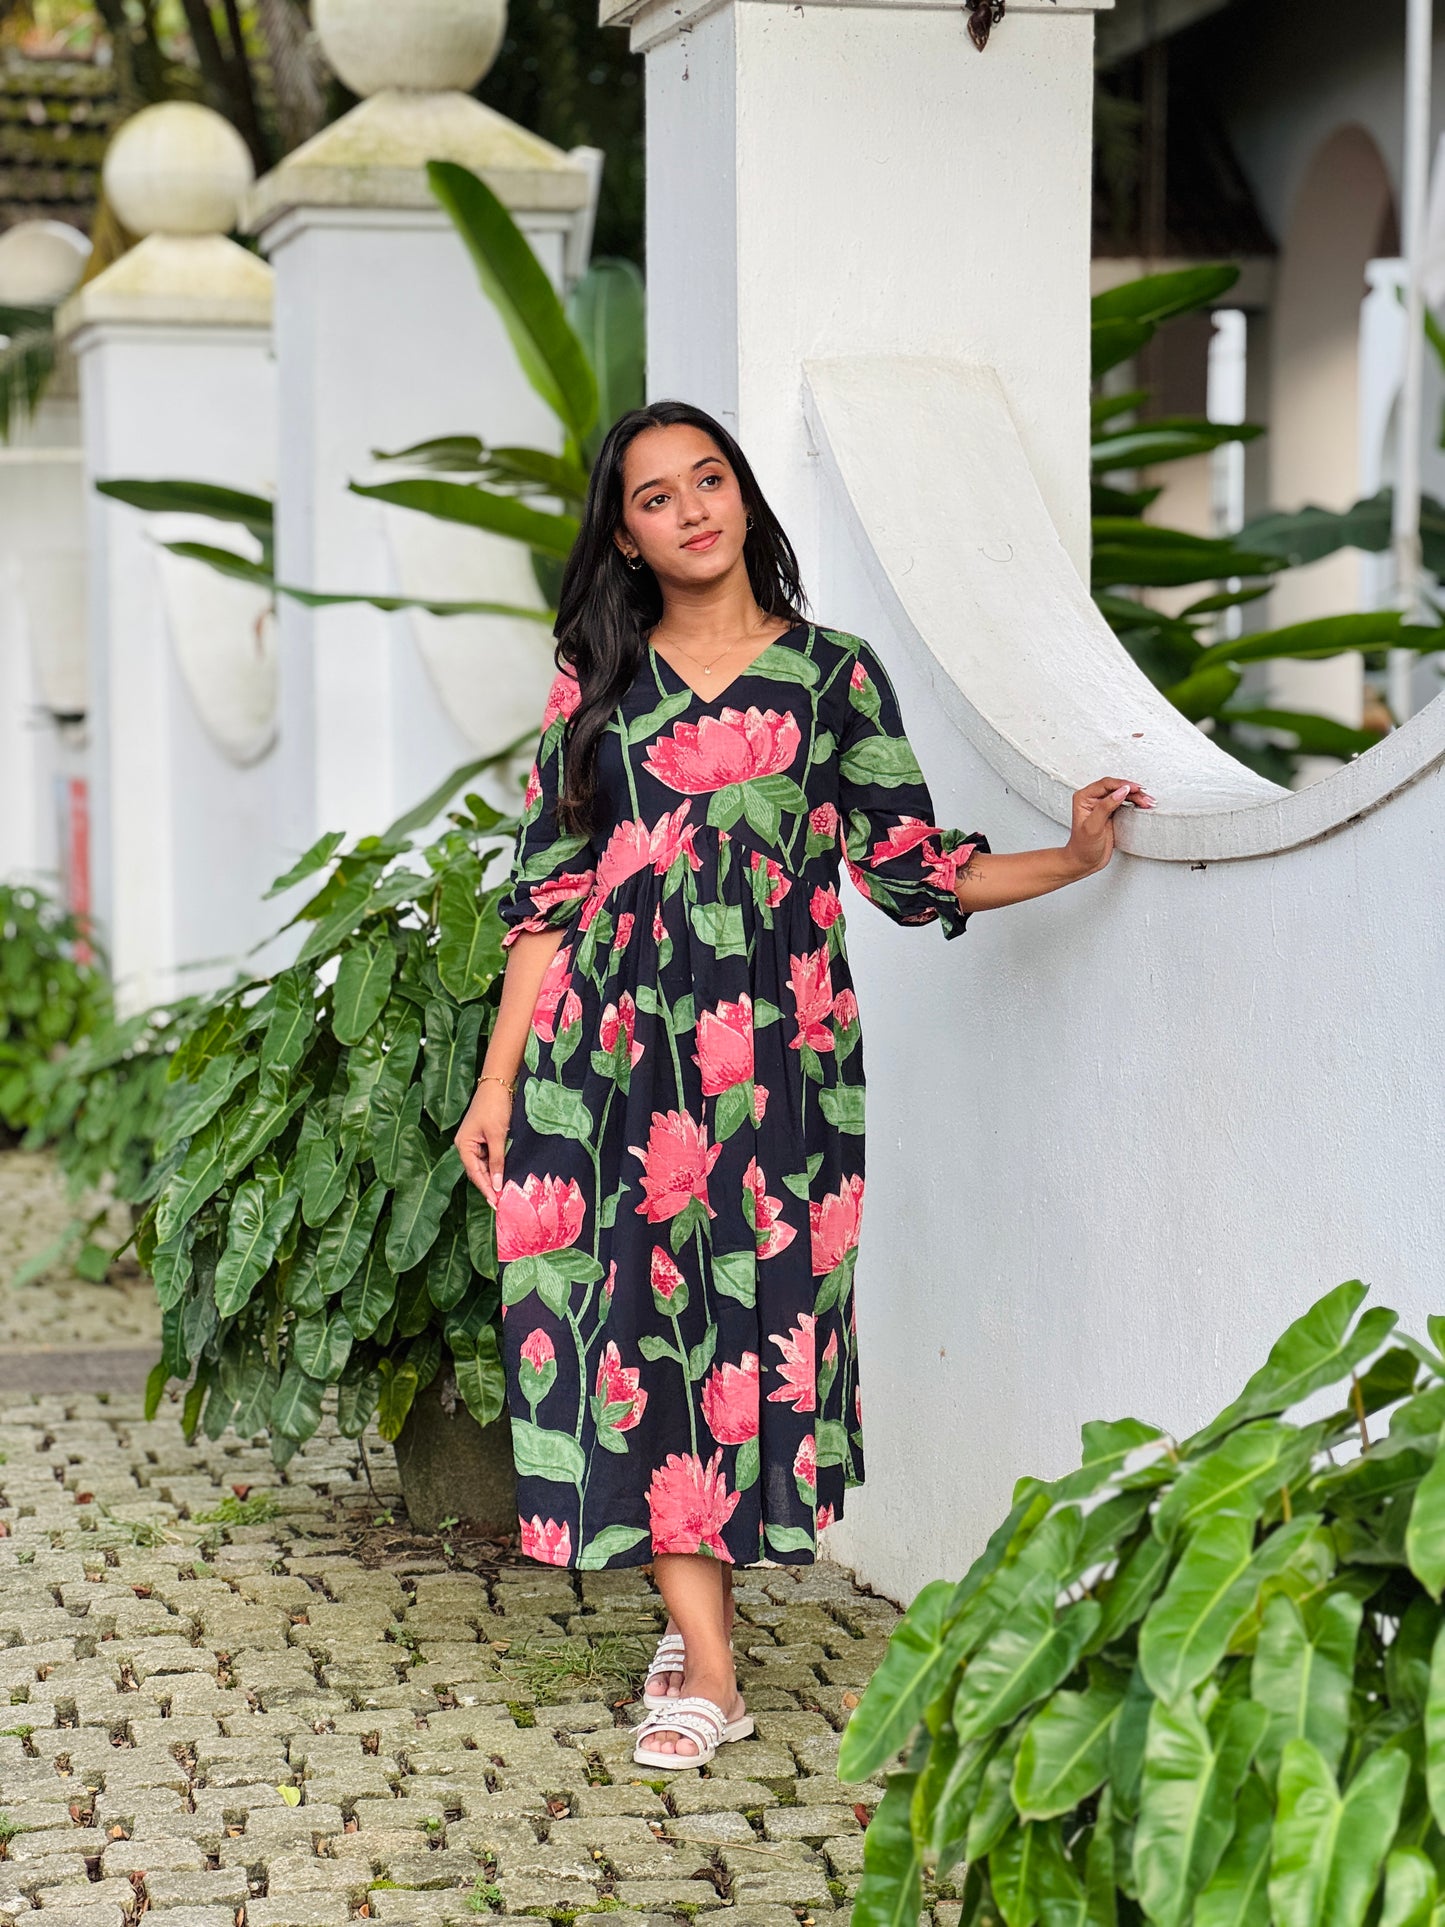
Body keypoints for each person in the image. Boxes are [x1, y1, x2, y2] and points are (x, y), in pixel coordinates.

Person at [454, 399, 1154, 1769]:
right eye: (654, 497)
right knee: (612, 1325)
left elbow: (906, 873)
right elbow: (545, 898)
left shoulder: (831, 678)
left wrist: (1068, 859)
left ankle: (696, 1620)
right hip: (598, 1070)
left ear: (744, 497)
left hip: (775, 1072)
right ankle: (709, 1665)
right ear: (625, 536)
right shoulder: (591, 686)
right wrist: (497, 1086)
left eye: (707, 479)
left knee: (736, 1333)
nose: (689, 508)